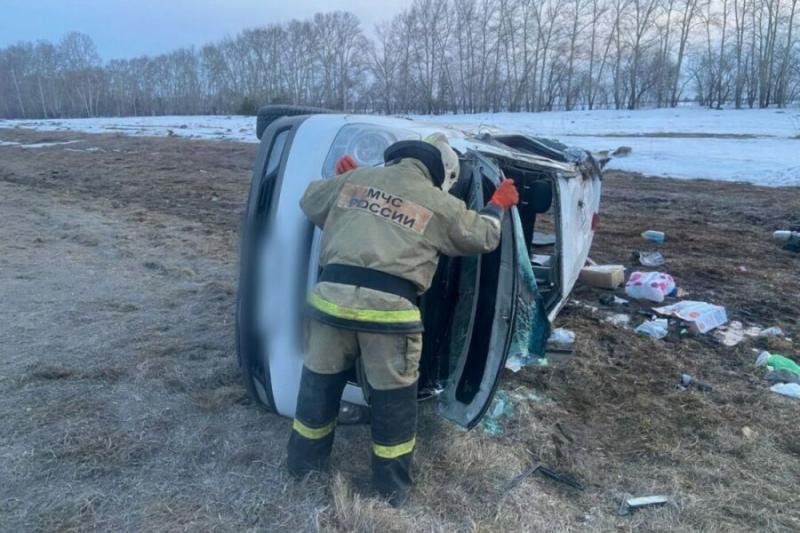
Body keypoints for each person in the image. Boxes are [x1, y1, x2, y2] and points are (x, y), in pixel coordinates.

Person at [287, 134, 519, 505]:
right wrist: (497, 205)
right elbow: (481, 236)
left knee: (319, 387)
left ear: (394, 159)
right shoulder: (437, 201)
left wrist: (346, 188)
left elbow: (310, 201)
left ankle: (302, 468)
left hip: (330, 305)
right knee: (393, 404)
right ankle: (391, 492)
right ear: (437, 173)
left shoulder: (355, 181)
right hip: (389, 316)